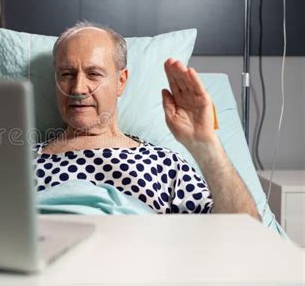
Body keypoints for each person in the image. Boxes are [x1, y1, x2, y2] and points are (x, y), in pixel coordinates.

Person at [33, 21, 261, 220]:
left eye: (94, 74)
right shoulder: (21, 163)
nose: (78, 88)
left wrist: (205, 143)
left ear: (121, 81)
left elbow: (244, 232)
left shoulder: (165, 165)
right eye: (66, 74)